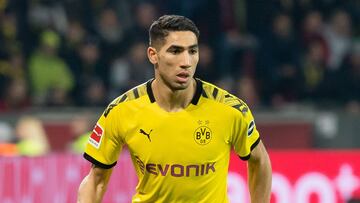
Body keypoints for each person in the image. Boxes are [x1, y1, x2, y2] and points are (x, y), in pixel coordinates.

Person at [78, 15, 272, 203]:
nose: (186, 62)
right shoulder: (122, 110)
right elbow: (96, 180)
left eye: (192, 51)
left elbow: (260, 160)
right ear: (153, 55)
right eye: (175, 51)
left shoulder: (230, 110)